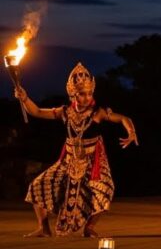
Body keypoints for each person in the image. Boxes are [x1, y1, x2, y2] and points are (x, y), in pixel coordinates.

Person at [16, 62, 138, 237]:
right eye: (82, 94)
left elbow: (123, 119)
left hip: (92, 161)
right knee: (38, 186)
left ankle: (89, 227)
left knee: (105, 189)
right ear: (73, 94)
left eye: (89, 93)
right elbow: (37, 112)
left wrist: (131, 132)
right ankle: (44, 228)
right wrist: (25, 98)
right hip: (68, 160)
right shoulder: (65, 112)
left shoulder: (97, 113)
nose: (87, 97)